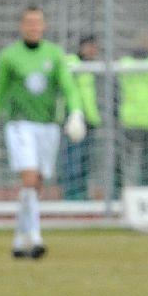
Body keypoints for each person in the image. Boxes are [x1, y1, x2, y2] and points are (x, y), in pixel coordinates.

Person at [0, 5, 86, 258]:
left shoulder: (55, 54)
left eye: (38, 22)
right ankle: (36, 238)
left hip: (48, 126)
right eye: (29, 22)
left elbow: (69, 87)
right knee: (29, 177)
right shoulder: (9, 56)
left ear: (44, 26)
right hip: (20, 125)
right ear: (22, 26)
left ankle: (19, 241)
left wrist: (76, 113)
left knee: (36, 184)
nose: (34, 27)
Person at [115, 30, 148, 189]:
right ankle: (146, 189)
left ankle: (125, 189)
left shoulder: (124, 63)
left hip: (131, 117)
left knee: (127, 159)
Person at [61, 36, 101, 200]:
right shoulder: (72, 61)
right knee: (73, 159)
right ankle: (71, 194)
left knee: (86, 160)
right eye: (90, 47)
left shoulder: (93, 67)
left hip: (89, 119)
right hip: (73, 118)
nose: (93, 51)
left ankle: (82, 193)